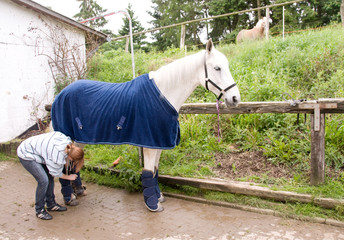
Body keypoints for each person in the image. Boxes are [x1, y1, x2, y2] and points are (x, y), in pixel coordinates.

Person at [17, 131, 84, 220]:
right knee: (43, 181)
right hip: (26, 153)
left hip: (37, 150)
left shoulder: (67, 143)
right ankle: (39, 210)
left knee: (49, 178)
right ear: (70, 157)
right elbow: (55, 173)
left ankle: (51, 204)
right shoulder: (57, 155)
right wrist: (69, 177)